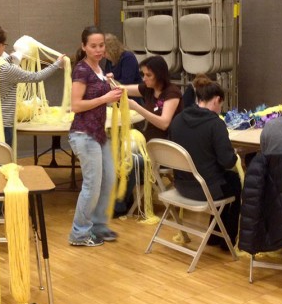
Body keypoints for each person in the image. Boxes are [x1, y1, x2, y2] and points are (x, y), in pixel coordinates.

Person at [169, 74, 241, 248]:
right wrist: (234, 153)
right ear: (216, 100)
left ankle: (214, 236)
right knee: (234, 182)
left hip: (180, 185)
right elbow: (227, 162)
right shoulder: (215, 124)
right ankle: (225, 240)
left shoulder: (178, 119)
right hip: (203, 190)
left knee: (217, 178)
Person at [67, 26, 123, 247]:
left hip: (98, 134)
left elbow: (101, 98)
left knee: (108, 180)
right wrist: (105, 97)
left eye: (101, 46)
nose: (99, 50)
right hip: (84, 134)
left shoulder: (100, 68)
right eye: (93, 46)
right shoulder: (81, 70)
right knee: (92, 184)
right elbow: (76, 105)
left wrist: (110, 91)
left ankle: (98, 225)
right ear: (84, 47)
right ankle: (79, 234)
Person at [113, 55, 184, 216]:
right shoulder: (148, 88)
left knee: (132, 160)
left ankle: (120, 203)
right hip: (149, 144)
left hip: (166, 147)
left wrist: (138, 108)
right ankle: (122, 199)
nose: (144, 78)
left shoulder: (172, 93)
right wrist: (110, 82)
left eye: (148, 75)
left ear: (159, 75)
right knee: (118, 152)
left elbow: (164, 123)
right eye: (143, 74)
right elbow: (122, 88)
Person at [0, 26, 64, 146]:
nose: (5, 47)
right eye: (4, 44)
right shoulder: (5, 69)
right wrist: (56, 64)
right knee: (3, 162)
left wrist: (12, 58)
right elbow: (36, 77)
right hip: (1, 124)